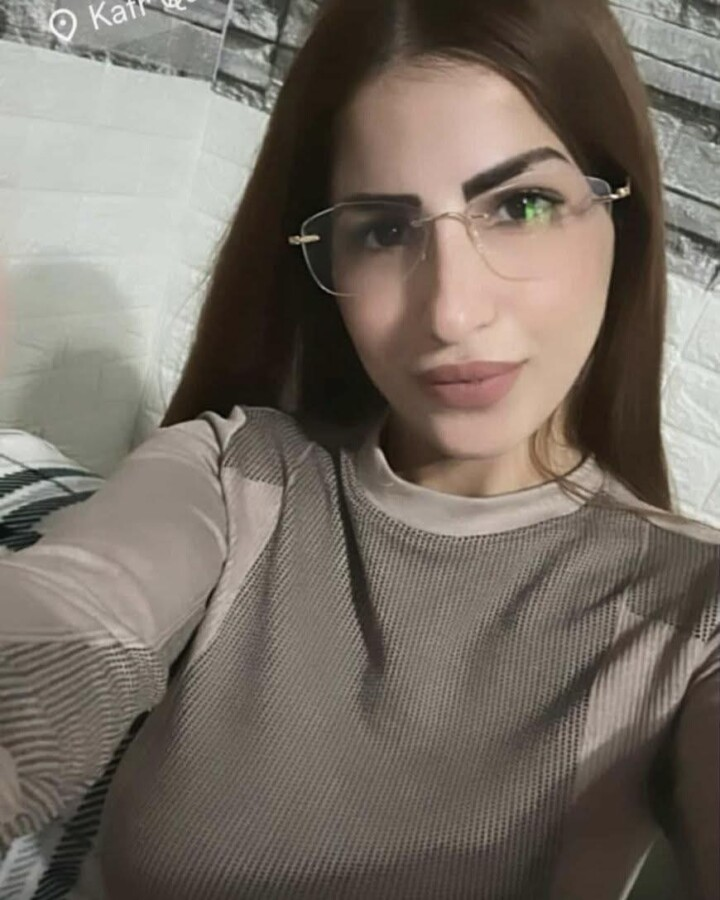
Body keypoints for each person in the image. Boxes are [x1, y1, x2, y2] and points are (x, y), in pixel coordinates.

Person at [1, 0, 718, 897]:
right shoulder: (232, 476)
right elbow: (56, 639)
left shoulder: (691, 612)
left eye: (521, 205)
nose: (451, 312)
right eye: (383, 230)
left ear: (623, 218)